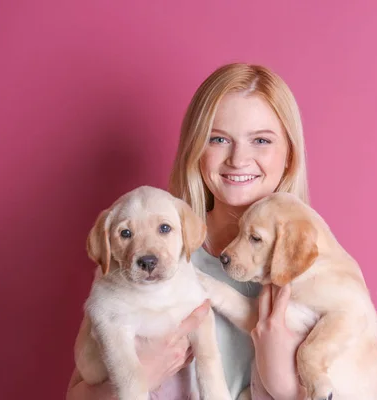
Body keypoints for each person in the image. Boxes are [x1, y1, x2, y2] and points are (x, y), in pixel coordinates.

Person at [66, 62, 311, 400]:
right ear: (196, 151)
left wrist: (283, 384)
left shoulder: (308, 260)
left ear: (289, 155)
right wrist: (147, 373)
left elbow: (359, 382)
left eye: (261, 140)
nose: (238, 159)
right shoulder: (159, 254)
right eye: (219, 138)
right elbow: (79, 391)